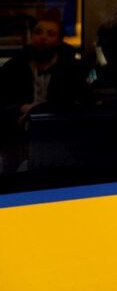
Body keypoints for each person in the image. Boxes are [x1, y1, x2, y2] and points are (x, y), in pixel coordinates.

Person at [0, 9, 87, 173]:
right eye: (38, 32)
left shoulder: (72, 70)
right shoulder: (14, 66)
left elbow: (78, 105)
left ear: (59, 41)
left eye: (50, 34)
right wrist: (21, 109)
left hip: (57, 142)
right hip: (17, 140)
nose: (43, 37)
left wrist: (43, 110)